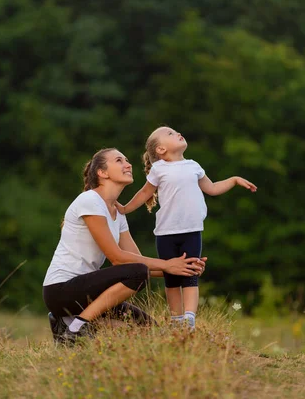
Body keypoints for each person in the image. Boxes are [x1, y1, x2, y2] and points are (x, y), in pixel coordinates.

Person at [43, 147, 207, 346]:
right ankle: (77, 328)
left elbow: (140, 263)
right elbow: (118, 258)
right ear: (102, 173)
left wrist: (183, 268)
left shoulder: (118, 213)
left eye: (127, 160)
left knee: (151, 331)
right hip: (61, 290)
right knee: (136, 272)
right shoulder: (90, 200)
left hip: (88, 292)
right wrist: (167, 265)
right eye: (119, 160)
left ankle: (63, 324)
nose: (128, 164)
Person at [116, 126, 257, 330]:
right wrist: (125, 208)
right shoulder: (159, 169)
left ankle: (189, 319)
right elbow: (144, 193)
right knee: (171, 278)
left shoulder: (194, 166)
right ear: (161, 150)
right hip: (166, 233)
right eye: (170, 134)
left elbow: (213, 188)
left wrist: (234, 180)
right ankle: (176, 320)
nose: (177, 133)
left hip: (192, 231)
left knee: (190, 275)